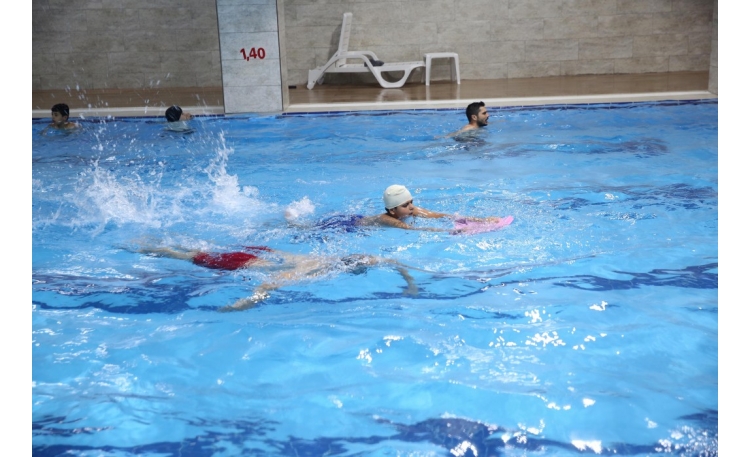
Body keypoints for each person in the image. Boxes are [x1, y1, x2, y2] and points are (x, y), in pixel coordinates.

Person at [126, 244, 418, 311]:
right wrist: (246, 303)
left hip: (263, 252)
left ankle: (156, 244)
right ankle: (149, 248)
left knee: (195, 250)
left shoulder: (332, 258)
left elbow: (389, 261)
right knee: (188, 256)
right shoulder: (313, 271)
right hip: (244, 263)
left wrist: (410, 283)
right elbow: (269, 284)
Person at [290, 184, 506, 233]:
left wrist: (482, 220)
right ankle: (293, 220)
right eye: (406, 205)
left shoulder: (409, 210)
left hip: (357, 218)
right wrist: (449, 232)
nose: (412, 207)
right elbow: (414, 230)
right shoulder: (387, 219)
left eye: (411, 202)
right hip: (346, 226)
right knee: (306, 228)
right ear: (393, 210)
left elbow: (440, 215)